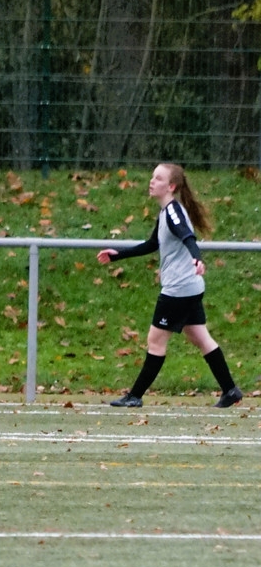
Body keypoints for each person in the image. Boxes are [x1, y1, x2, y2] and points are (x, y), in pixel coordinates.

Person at [96, 163, 242, 408]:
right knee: (200, 337)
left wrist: (197, 257)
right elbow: (152, 244)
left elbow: (187, 236)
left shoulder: (173, 211)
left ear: (171, 186)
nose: (152, 181)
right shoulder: (166, 212)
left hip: (178, 289)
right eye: (152, 176)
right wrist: (117, 255)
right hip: (191, 287)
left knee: (155, 340)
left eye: (158, 178)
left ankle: (135, 396)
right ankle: (230, 390)